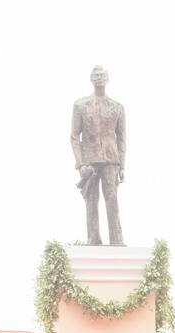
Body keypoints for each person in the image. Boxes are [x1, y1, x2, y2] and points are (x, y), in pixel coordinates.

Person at [70, 65, 125, 246]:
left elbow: (122, 138)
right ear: (91, 79)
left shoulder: (117, 107)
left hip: (111, 160)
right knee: (91, 202)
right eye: (96, 76)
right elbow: (74, 137)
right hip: (90, 161)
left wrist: (122, 165)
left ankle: (116, 240)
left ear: (107, 79)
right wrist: (80, 163)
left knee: (112, 201)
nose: (99, 78)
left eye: (102, 75)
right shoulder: (80, 105)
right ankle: (93, 239)